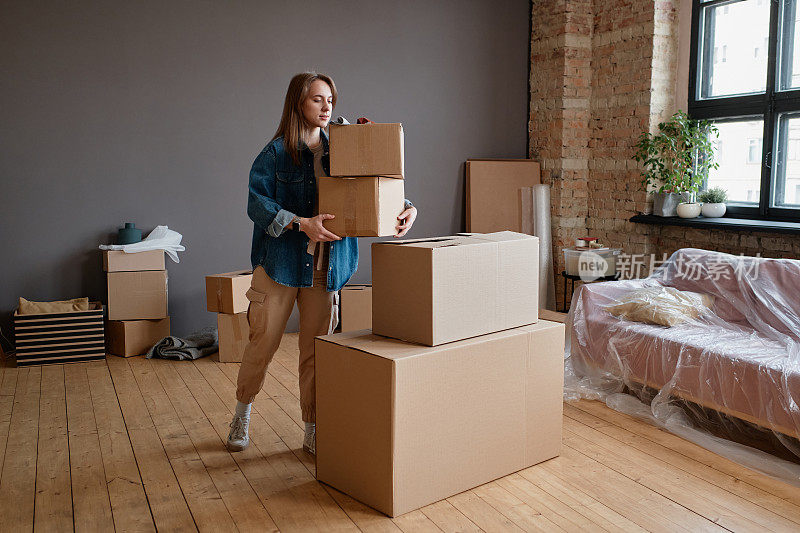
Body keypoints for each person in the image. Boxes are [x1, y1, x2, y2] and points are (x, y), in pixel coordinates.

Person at [227, 72, 417, 454]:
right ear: (299, 103)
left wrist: (408, 209)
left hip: (325, 269)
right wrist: (301, 224)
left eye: (330, 99)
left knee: (317, 350)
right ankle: (242, 411)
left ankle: (312, 426)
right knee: (262, 344)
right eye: (317, 99)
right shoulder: (276, 153)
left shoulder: (344, 147)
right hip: (279, 265)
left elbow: (377, 184)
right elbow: (256, 204)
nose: (326, 106)